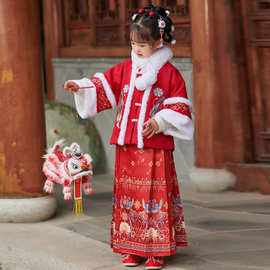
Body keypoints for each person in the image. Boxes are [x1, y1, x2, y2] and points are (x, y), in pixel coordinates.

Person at [64, 5, 194, 270]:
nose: (136, 49)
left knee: (155, 196)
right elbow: (101, 86)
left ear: (160, 42)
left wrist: (159, 121)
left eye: (143, 45)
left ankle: (157, 250)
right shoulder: (125, 69)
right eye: (133, 43)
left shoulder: (170, 74)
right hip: (127, 146)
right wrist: (80, 87)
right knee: (129, 196)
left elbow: (180, 107)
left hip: (154, 146)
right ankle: (132, 247)